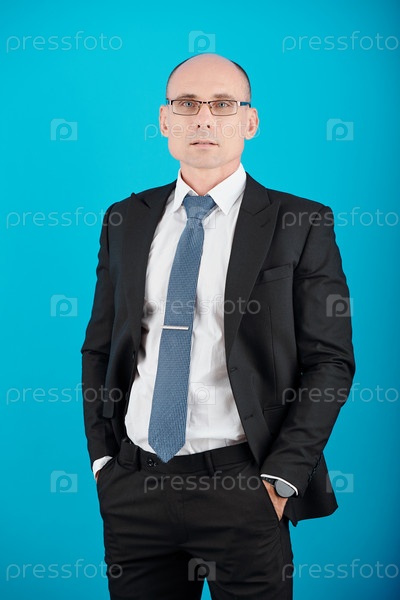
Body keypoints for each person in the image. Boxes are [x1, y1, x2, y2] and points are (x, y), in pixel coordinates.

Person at [81, 53, 355, 600]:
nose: (204, 118)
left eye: (223, 104)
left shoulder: (300, 222)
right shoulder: (125, 219)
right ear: (165, 120)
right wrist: (103, 460)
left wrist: (280, 480)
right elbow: (101, 346)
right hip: (134, 489)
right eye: (187, 104)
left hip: (244, 489)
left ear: (249, 121)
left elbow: (330, 362)